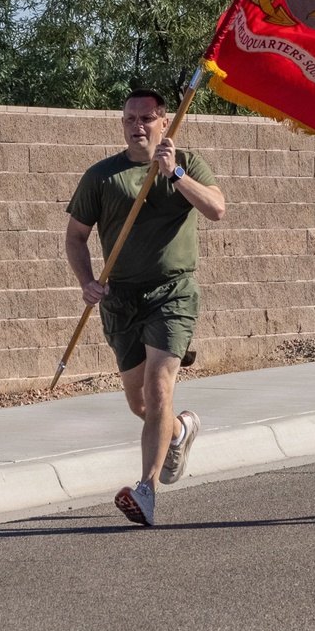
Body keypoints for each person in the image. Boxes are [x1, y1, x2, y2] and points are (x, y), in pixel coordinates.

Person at [64, 89, 225, 527]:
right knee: (140, 403)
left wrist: (174, 174)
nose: (137, 125)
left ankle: (146, 490)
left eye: (147, 118)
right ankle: (181, 430)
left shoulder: (187, 163)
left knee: (158, 390)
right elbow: (75, 236)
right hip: (120, 299)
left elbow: (216, 209)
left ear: (164, 121)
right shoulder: (102, 176)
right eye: (130, 118)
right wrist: (87, 281)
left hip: (172, 293)